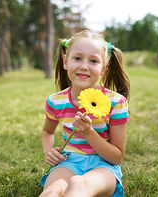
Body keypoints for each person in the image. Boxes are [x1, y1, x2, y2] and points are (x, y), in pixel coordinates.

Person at [39, 30, 130, 197]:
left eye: (93, 60)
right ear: (65, 62)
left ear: (103, 69)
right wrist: (49, 151)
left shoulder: (116, 103)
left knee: (78, 185)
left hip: (104, 167)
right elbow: (47, 132)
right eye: (77, 58)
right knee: (52, 191)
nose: (84, 66)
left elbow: (117, 157)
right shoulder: (56, 101)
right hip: (68, 163)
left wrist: (89, 133)